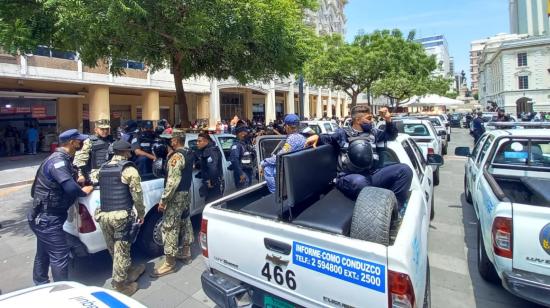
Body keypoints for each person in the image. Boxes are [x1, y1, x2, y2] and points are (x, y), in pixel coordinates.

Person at [306, 106, 413, 210]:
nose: (371, 121)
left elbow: (391, 135)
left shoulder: (374, 133)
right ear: (357, 120)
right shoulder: (343, 133)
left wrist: (388, 119)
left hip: (371, 174)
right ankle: (379, 210)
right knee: (360, 182)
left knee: (404, 170)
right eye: (369, 118)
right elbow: (328, 138)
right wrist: (317, 136)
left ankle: (395, 209)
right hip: (350, 177)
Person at [28, 129, 94, 285]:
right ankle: (61, 292)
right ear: (72, 142)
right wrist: (84, 191)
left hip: (43, 216)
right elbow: (70, 189)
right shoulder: (58, 161)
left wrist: (78, 179)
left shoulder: (62, 159)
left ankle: (40, 283)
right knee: (59, 255)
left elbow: (62, 182)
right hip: (48, 218)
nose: (82, 143)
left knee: (43, 253)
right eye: (80, 141)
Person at [94, 140, 145, 295]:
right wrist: (141, 213)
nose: (130, 153)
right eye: (129, 151)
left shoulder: (102, 168)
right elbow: (137, 195)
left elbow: (92, 179)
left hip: (104, 215)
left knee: (113, 249)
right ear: (125, 152)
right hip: (121, 216)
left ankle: (129, 270)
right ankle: (120, 285)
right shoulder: (129, 170)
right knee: (121, 249)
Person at [152, 129, 194, 277]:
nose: (170, 142)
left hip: (175, 196)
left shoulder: (176, 157)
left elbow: (172, 181)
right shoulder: (189, 152)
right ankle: (186, 252)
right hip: (186, 193)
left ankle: (169, 263)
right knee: (185, 220)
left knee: (169, 226)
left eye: (171, 139)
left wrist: (164, 200)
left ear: (176, 140)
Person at [260, 114, 307, 193]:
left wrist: (263, 162)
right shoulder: (302, 137)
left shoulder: (292, 138)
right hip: (299, 166)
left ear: (287, 126)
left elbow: (279, 157)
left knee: (267, 169)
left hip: (292, 170)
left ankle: (275, 193)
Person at [74, 119, 114, 184]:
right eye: (102, 129)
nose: (105, 131)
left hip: (112, 173)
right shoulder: (89, 141)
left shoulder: (112, 140)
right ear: (95, 130)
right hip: (96, 175)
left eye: (107, 129)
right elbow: (80, 160)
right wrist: (81, 175)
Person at [195, 133, 223, 202]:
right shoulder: (206, 150)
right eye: (197, 141)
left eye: (199, 141)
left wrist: (212, 182)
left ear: (206, 141)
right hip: (211, 183)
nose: (197, 143)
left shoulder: (210, 151)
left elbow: (213, 168)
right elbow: (204, 163)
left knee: (212, 205)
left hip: (213, 185)